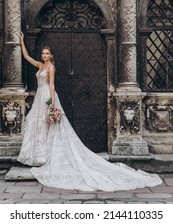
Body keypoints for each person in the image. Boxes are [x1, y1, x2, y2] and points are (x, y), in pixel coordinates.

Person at [17, 31, 162, 192]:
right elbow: (27, 58)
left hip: (47, 97)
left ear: (51, 56)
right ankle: (39, 155)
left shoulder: (50, 67)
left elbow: (51, 85)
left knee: (50, 125)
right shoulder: (40, 65)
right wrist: (21, 41)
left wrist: (51, 103)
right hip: (39, 97)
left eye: (46, 54)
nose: (44, 56)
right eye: (43, 54)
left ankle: (47, 155)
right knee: (39, 124)